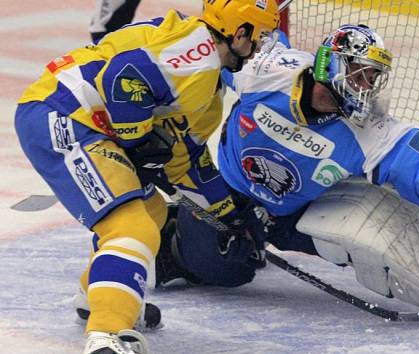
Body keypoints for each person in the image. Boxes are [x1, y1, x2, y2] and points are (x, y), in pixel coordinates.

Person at [209, 24, 419, 331]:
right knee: (222, 268)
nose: (364, 87)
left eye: (371, 78)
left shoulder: (367, 129)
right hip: (223, 194)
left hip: (294, 215)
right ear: (333, 62)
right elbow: (213, 50)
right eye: (359, 74)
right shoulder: (269, 69)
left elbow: (415, 160)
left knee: (373, 238)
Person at [14, 0, 279, 353]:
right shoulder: (198, 50)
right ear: (240, 32)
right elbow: (123, 75)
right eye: (260, 36)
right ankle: (106, 333)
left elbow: (186, 162)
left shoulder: (207, 84)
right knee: (130, 227)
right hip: (62, 114)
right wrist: (138, 139)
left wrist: (232, 215)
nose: (260, 46)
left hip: (87, 124)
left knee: (152, 212)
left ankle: (101, 296)